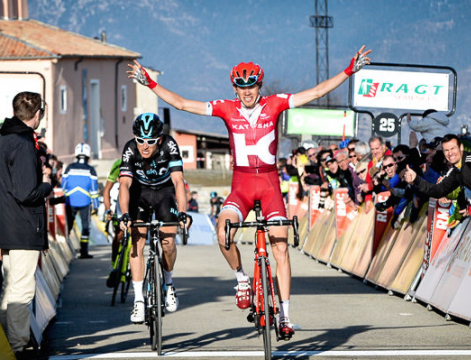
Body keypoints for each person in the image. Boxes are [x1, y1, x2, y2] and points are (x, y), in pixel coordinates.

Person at [127, 45, 371, 338]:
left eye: (251, 86)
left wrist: (348, 71)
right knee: (223, 232)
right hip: (241, 185)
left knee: (280, 247)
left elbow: (316, 92)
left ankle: (285, 315)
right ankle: (242, 279)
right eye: (241, 87)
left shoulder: (275, 104)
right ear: (234, 88)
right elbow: (181, 104)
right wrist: (149, 83)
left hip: (269, 185)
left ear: (259, 85)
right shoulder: (226, 109)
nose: (246, 92)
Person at [118, 113, 190, 324]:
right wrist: (124, 214)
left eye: (150, 141)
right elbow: (124, 184)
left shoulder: (170, 145)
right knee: (136, 242)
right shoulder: (130, 148)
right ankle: (139, 300)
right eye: (141, 140)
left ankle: (169, 284)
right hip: (140, 193)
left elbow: (178, 182)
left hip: (164, 192)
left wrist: (183, 212)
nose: (145, 146)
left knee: (168, 243)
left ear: (159, 139)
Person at [0, 91, 53, 356]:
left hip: (7, 224)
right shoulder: (22, 143)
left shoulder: (4, 137)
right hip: (23, 226)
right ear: (38, 114)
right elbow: (25, 192)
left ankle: (10, 343)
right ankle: (19, 345)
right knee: (21, 288)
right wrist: (46, 184)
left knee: (10, 286)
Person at [62, 143, 99, 259]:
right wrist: (96, 205)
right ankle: (84, 252)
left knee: (67, 227)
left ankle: (65, 252)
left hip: (70, 201)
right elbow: (94, 189)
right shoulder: (91, 170)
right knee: (85, 227)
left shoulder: (69, 167)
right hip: (85, 202)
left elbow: (64, 186)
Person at [103, 158, 123, 266]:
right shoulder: (118, 163)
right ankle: (114, 262)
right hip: (122, 200)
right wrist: (108, 209)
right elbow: (106, 190)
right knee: (119, 234)